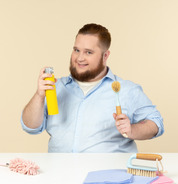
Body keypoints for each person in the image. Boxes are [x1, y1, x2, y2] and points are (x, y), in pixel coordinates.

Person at [21, 23, 164, 153]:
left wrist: (132, 130)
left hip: (109, 177)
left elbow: (155, 124)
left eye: (88, 52)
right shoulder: (55, 87)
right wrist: (39, 96)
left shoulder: (126, 90)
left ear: (105, 56)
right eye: (76, 50)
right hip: (60, 176)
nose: (79, 58)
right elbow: (30, 127)